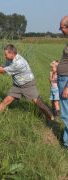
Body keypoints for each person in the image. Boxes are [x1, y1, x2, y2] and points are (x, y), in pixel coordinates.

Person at [0, 44, 55, 121]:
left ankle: (52, 119)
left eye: (6, 54)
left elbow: (3, 71)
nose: (5, 56)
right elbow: (3, 67)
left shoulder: (19, 63)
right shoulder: (10, 59)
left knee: (39, 104)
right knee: (5, 101)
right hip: (17, 86)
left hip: (28, 85)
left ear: (12, 54)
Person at [58, 16, 68, 148]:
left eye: (61, 27)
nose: (60, 29)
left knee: (66, 113)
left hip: (66, 80)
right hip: (64, 78)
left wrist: (67, 87)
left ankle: (66, 144)